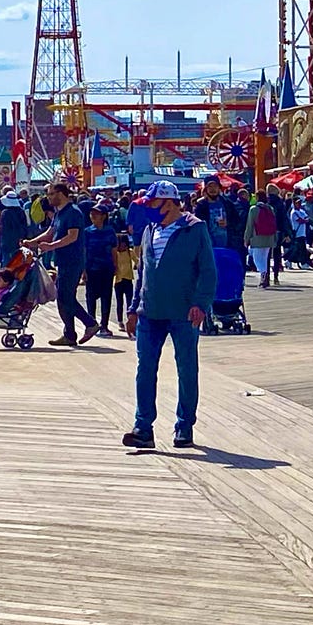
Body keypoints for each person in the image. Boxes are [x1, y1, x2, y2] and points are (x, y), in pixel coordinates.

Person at [124, 181, 217, 450]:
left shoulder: (194, 228)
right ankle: (143, 428)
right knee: (145, 369)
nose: (149, 208)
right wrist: (133, 308)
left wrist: (201, 303)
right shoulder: (149, 230)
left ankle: (184, 426)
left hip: (184, 312)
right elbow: (142, 273)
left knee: (187, 369)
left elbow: (208, 271)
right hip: (149, 312)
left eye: (152, 203)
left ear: (168, 202)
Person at [24, 183, 98, 347]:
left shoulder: (73, 213)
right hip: (62, 260)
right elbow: (50, 232)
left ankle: (88, 324)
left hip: (72, 261)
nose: (48, 197)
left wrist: (51, 246)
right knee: (63, 297)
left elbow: (72, 236)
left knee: (65, 297)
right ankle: (71, 334)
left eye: (51, 194)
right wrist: (33, 242)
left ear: (61, 194)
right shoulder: (59, 213)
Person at [83, 205, 121, 336]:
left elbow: (114, 250)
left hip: (106, 268)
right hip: (91, 268)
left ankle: (104, 325)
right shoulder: (87, 232)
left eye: (97, 213)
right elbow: (84, 251)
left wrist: (116, 266)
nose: (93, 216)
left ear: (104, 216)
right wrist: (83, 270)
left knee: (106, 297)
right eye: (91, 213)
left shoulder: (110, 231)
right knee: (90, 297)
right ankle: (91, 324)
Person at [243, 192, 278, 288]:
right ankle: (264, 276)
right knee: (264, 258)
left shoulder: (253, 209)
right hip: (269, 237)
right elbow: (274, 224)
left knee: (257, 259)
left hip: (257, 237)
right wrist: (275, 238)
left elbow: (250, 225)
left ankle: (263, 274)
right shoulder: (270, 208)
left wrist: (246, 238)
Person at [0, 189, 28, 266]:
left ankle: (5, 276)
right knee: (17, 259)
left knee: (6, 260)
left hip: (7, 239)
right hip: (19, 238)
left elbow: (3, 227)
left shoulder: (5, 212)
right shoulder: (21, 211)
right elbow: (25, 225)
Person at [114, 233, 137, 338]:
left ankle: (130, 320)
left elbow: (137, 261)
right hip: (118, 280)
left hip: (128, 279)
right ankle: (120, 321)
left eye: (124, 244)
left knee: (130, 301)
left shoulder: (130, 252)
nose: (123, 247)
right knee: (119, 302)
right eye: (121, 244)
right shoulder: (115, 253)